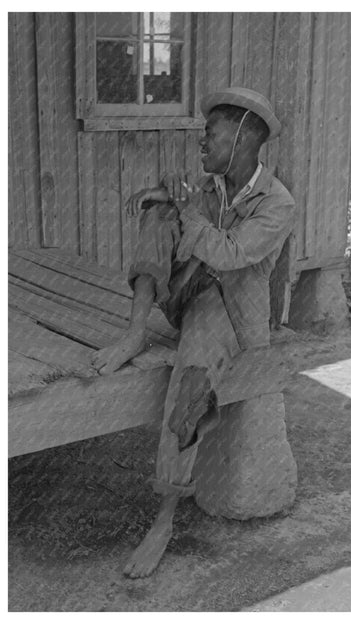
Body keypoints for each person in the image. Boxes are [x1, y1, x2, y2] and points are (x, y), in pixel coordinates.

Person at [91, 87, 296, 578]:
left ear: (244, 137)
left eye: (211, 134)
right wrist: (164, 197)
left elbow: (226, 253)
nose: (201, 143)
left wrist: (185, 207)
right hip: (192, 296)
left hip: (232, 316)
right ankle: (136, 333)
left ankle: (164, 518)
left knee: (191, 378)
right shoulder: (213, 186)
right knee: (160, 213)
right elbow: (184, 195)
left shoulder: (277, 204)